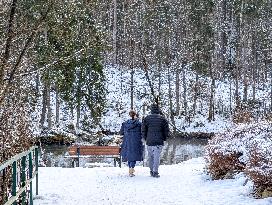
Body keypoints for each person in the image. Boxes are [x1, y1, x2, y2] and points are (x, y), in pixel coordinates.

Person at [142, 104, 169, 178]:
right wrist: (164, 138)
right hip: (159, 141)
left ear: (151, 110)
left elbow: (143, 130)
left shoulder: (147, 118)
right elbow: (166, 131)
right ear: (158, 110)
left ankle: (151, 171)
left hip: (149, 141)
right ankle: (155, 172)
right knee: (157, 157)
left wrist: (145, 138)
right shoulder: (162, 119)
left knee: (150, 157)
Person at [120, 110, 143, 177]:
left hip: (127, 141)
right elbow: (142, 133)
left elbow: (121, 132)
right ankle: (131, 169)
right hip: (136, 142)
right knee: (134, 155)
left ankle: (131, 169)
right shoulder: (139, 124)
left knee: (129, 155)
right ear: (135, 115)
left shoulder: (124, 124)